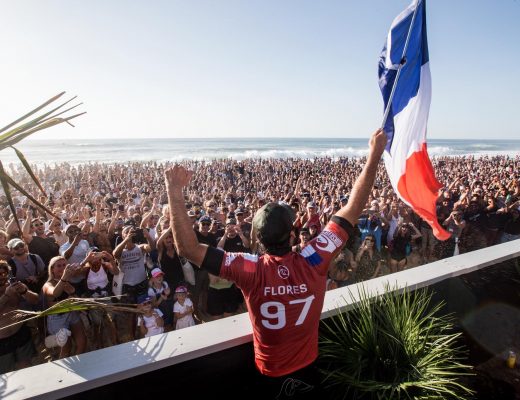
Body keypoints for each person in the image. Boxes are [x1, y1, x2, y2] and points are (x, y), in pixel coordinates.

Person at [164, 128, 386, 397]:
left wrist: (174, 191)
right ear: (292, 234)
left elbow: (188, 248)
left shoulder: (249, 267)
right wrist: (374, 155)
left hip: (269, 374)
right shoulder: (314, 257)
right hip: (310, 368)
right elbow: (352, 208)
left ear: (256, 237)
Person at [42, 256, 87, 359]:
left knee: (82, 342)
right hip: (57, 318)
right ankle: (65, 370)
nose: (62, 268)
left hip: (72, 314)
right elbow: (55, 293)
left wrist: (73, 292)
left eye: (64, 265)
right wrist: (64, 277)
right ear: (52, 269)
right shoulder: (48, 284)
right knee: (66, 347)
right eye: (59, 266)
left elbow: (74, 299)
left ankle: (80, 365)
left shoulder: (67, 281)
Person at [0, 260, 39, 373]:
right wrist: (6, 295)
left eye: (4, 274)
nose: (2, 277)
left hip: (20, 332)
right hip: (2, 340)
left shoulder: (14, 285)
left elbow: (35, 300)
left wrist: (25, 292)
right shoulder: (9, 290)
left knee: (26, 367)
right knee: (5, 372)